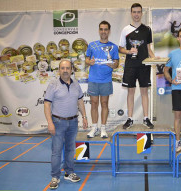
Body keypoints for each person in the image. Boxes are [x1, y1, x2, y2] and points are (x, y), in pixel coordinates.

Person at [44, 60, 88, 189]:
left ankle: (69, 172)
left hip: (73, 122)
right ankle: (55, 176)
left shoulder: (76, 84)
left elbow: (80, 101)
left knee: (70, 149)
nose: (65, 70)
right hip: (58, 122)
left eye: (67, 68)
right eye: (62, 68)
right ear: (59, 70)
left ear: (71, 70)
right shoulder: (53, 85)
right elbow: (47, 104)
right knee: (56, 151)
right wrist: (50, 122)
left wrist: (84, 117)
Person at [119, 3, 156, 129]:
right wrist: (129, 51)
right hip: (130, 65)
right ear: (131, 13)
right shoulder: (125, 30)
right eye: (134, 12)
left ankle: (146, 118)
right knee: (131, 92)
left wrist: (155, 58)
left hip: (144, 65)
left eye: (138, 12)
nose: (136, 14)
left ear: (142, 13)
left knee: (144, 92)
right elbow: (120, 48)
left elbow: (148, 49)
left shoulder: (147, 29)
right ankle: (130, 118)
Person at [86, 21, 119, 138]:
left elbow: (116, 64)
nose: (103, 31)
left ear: (109, 31)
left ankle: (103, 129)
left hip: (106, 80)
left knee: (104, 103)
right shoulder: (92, 45)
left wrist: (112, 65)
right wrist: (89, 62)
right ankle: (94, 128)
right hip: (93, 80)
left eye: (105, 29)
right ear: (99, 30)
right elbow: (86, 59)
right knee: (94, 104)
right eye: (101, 29)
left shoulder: (114, 47)